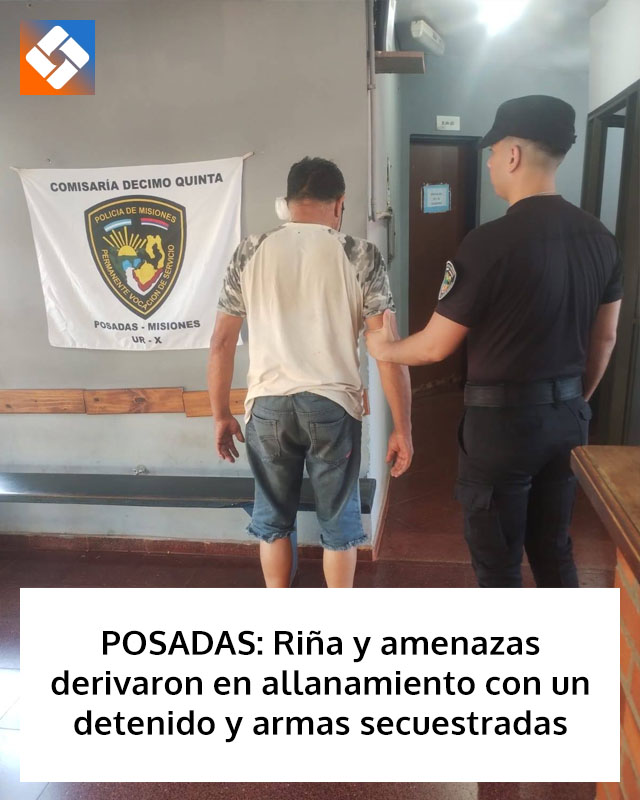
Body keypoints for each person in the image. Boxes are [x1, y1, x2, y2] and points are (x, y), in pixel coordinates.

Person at [366, 95, 623, 588]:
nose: (488, 163)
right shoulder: (601, 238)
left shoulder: (487, 243)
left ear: (513, 155)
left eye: (492, 152)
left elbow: (434, 346)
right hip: (568, 418)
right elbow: (605, 337)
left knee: (499, 566)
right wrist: (573, 402)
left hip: (502, 427)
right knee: (554, 551)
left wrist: (384, 349)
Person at [208, 156, 413, 588]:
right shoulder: (361, 254)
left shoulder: (249, 251)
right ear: (339, 203)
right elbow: (388, 349)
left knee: (273, 520)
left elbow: (222, 342)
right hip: (333, 406)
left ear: (288, 202)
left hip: (266, 407)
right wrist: (403, 428)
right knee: (338, 525)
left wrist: (220, 414)